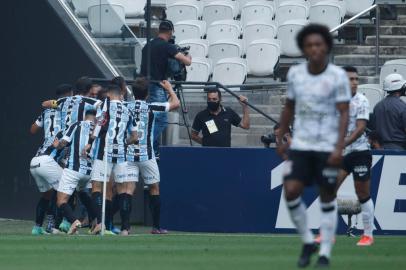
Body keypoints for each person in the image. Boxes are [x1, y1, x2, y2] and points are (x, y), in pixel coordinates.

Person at [277, 24, 350, 268]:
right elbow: (289, 106)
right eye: (309, 45)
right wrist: (281, 135)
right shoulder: (296, 74)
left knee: (327, 195)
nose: (314, 48)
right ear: (304, 48)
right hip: (302, 144)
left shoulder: (337, 76)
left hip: (328, 145)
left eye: (318, 44)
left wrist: (339, 146)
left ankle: (325, 253)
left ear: (326, 46)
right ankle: (308, 241)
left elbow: (343, 113)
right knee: (291, 191)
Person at [126, 78, 180, 234]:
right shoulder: (152, 106)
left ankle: (125, 227)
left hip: (129, 154)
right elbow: (175, 103)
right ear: (148, 93)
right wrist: (169, 89)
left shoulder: (125, 106)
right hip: (147, 155)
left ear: (133, 93)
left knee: (128, 189)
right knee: (154, 188)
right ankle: (156, 227)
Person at [84, 84, 138, 235]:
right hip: (121, 153)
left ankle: (101, 224)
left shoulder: (105, 106)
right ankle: (125, 228)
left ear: (109, 95)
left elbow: (98, 127)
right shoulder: (128, 110)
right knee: (123, 190)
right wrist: (124, 143)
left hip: (104, 151)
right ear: (120, 95)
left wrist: (90, 142)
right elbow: (135, 137)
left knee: (96, 187)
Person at [333, 66, 375, 246]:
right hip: (343, 154)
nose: (355, 82)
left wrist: (342, 143)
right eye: (351, 79)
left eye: (356, 79)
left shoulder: (361, 100)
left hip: (359, 153)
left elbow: (360, 129)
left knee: (362, 193)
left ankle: (368, 235)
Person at [140, 20, 192, 154]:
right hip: (157, 86)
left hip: (144, 87)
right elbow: (187, 62)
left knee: (149, 119)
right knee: (161, 120)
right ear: (170, 32)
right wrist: (188, 56)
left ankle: (153, 150)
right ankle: (145, 144)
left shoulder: (147, 45)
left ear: (159, 31)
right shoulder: (167, 46)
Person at [29, 85, 73, 235]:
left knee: (47, 194)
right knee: (68, 186)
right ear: (70, 95)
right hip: (55, 150)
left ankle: (37, 227)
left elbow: (33, 129)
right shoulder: (68, 109)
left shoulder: (47, 110)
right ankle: (62, 223)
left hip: (38, 156)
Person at [54, 110, 99, 235]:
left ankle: (74, 221)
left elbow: (63, 142)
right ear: (95, 118)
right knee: (84, 195)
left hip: (74, 169)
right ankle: (97, 222)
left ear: (85, 116)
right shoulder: (98, 129)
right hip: (89, 172)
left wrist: (57, 145)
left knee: (61, 200)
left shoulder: (77, 124)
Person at [372, 73, 406, 150]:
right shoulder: (402, 106)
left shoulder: (377, 106)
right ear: (400, 87)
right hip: (400, 149)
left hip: (380, 148)